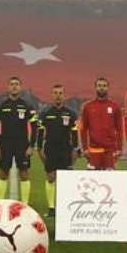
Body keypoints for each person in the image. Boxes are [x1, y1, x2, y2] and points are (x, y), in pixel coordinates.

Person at [0, 77, 38, 202]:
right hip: (5, 143)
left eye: (16, 84)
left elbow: (34, 128)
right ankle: (0, 203)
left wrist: (31, 146)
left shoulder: (27, 105)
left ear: (20, 87)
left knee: (24, 173)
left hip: (22, 143)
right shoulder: (1, 105)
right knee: (3, 173)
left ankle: (25, 204)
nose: (14, 86)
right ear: (8, 87)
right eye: (11, 84)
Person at [36, 84, 79, 216]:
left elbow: (74, 134)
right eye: (55, 93)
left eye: (60, 93)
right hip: (50, 148)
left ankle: (65, 207)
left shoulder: (71, 113)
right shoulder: (45, 113)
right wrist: (39, 148)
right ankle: (51, 208)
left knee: (66, 178)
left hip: (66, 148)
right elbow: (40, 133)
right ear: (52, 95)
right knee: (50, 177)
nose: (58, 96)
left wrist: (75, 149)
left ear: (64, 95)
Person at [79, 77, 122, 171]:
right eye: (99, 86)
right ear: (95, 87)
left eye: (104, 86)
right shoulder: (88, 107)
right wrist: (85, 148)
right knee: (93, 178)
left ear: (108, 88)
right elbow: (83, 129)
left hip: (110, 151)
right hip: (94, 150)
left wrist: (119, 148)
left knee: (110, 178)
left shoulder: (114, 106)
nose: (102, 88)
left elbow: (119, 129)